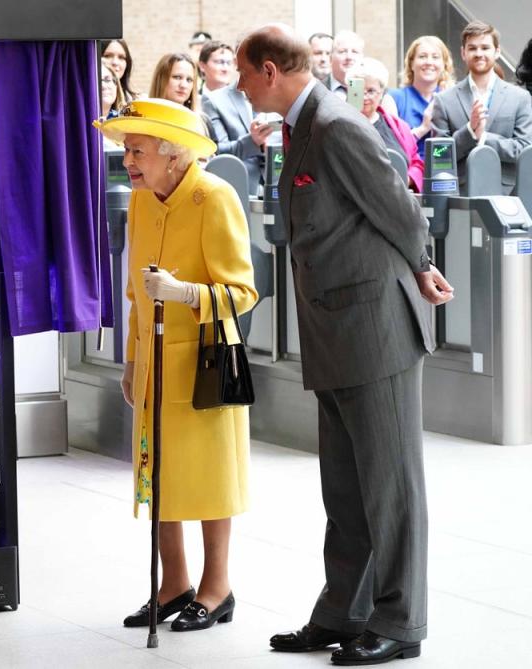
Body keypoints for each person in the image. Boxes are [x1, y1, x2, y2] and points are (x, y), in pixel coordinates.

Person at [236, 24, 454, 665]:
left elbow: (396, 203)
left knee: (390, 487)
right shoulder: (302, 126)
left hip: (374, 328)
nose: (243, 86)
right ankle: (343, 613)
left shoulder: (335, 125)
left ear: (270, 70)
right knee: (347, 487)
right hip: (334, 328)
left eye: (246, 73)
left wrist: (420, 264)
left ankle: (400, 623)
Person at [93, 98, 257, 633]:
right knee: (156, 473)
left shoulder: (214, 197)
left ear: (173, 155)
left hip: (205, 365)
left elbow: (243, 292)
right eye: (126, 151)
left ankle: (217, 587)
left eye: (137, 151)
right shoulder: (143, 200)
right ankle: (174, 584)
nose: (128, 162)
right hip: (153, 363)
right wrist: (131, 361)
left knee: (209, 477)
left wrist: (186, 292)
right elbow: (137, 294)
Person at [431, 21, 532, 195]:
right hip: (460, 195)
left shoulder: (520, 98)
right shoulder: (443, 101)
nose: (479, 54)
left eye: (485, 48)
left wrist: (484, 137)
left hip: (509, 194)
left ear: (497, 51)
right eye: (472, 48)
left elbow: (525, 149)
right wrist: (469, 131)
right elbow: (439, 158)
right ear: (463, 53)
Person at [351, 58, 425, 192]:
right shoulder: (341, 126)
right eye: (359, 90)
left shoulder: (398, 126)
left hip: (397, 200)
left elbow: (416, 162)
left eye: (371, 91)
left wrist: (407, 179)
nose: (364, 96)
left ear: (382, 93)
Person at [202, 73, 271, 195]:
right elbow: (217, 152)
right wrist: (253, 142)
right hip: (238, 191)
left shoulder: (279, 96)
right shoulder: (214, 100)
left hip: (277, 189)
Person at [390, 35, 456, 159]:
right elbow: (392, 149)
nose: (429, 62)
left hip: (442, 172)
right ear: (411, 63)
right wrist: (423, 128)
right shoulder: (393, 98)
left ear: (444, 65)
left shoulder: (452, 100)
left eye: (435, 57)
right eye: (422, 56)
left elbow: (455, 149)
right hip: (405, 175)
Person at [150, 53, 216, 152]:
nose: (183, 85)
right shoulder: (145, 120)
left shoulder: (203, 123)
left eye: (189, 80)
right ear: (161, 79)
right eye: (177, 77)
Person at [325, 30, 364, 99]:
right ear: (331, 58)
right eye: (342, 51)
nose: (349, 57)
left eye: (354, 52)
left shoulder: (375, 92)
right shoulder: (317, 90)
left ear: (362, 58)